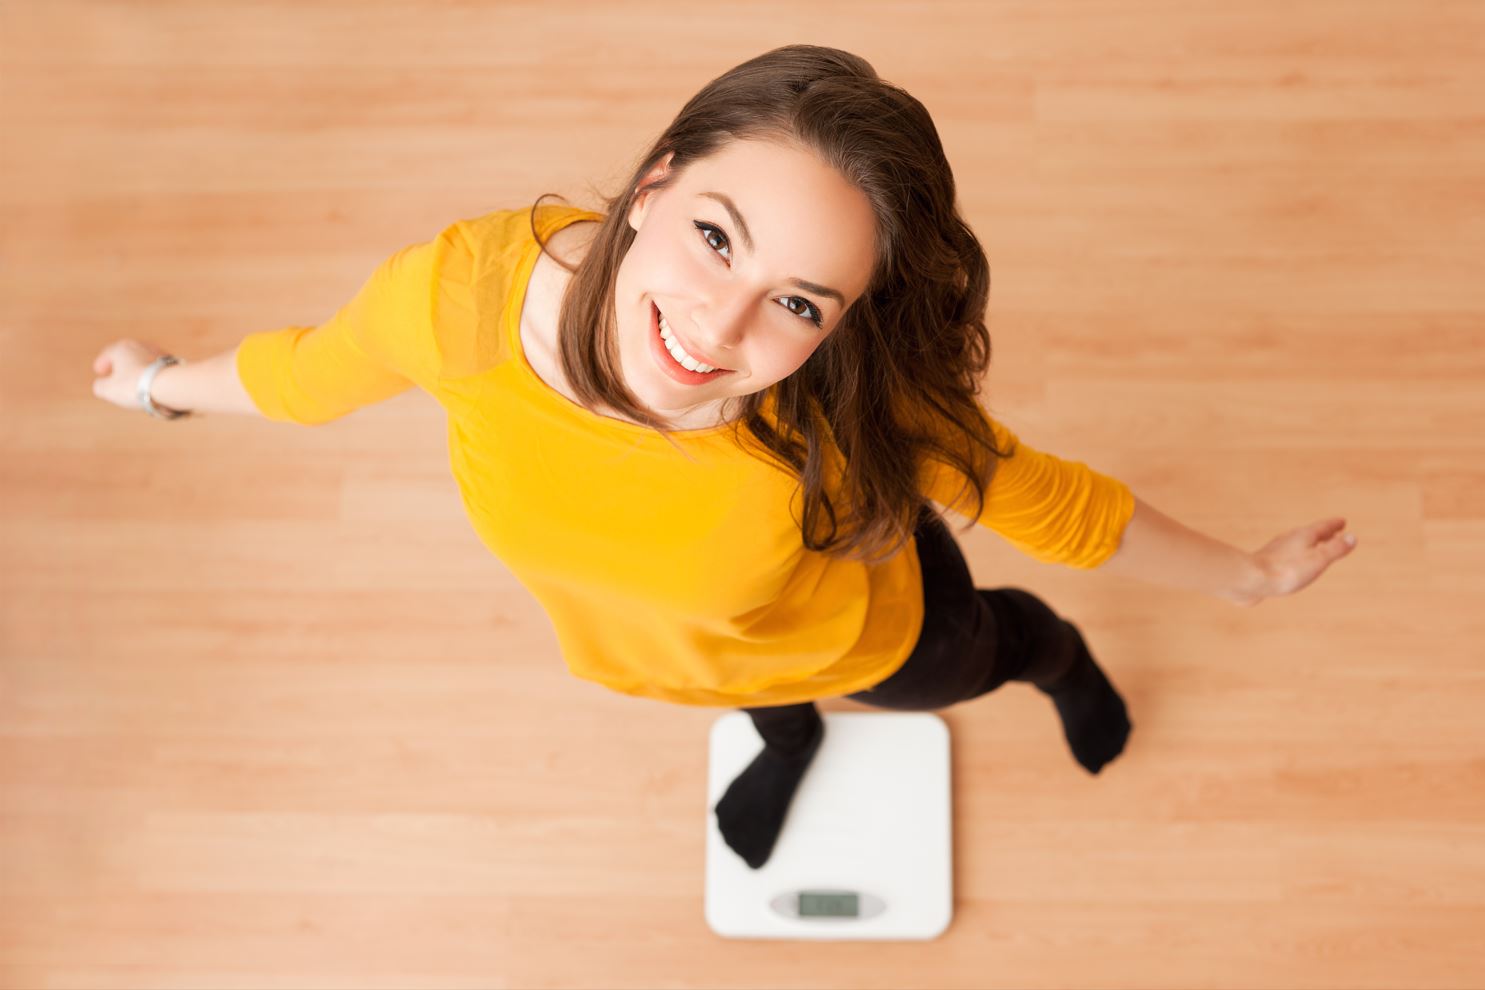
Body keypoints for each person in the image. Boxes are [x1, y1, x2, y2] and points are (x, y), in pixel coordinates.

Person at [90, 44, 1358, 873]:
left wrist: (1250, 576)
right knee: (750, 687)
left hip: (872, 631)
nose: (716, 328)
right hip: (680, 654)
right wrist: (158, 387)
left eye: (800, 302)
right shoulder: (456, 303)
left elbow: (1061, 507)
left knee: (986, 652)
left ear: (841, 323)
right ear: (652, 185)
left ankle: (1056, 659)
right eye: (715, 236)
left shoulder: (861, 413)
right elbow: (306, 377)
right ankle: (789, 741)